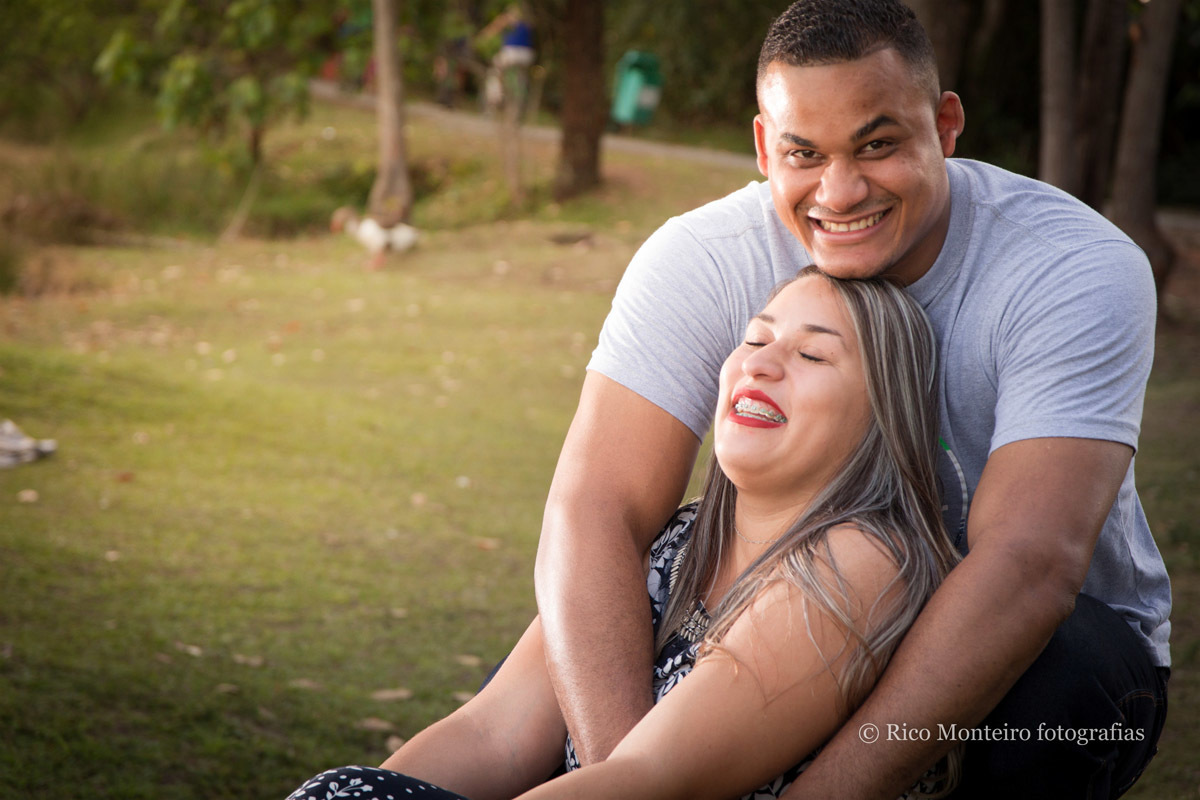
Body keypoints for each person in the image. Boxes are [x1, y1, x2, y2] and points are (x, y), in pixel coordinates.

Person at [534, 1, 1170, 798]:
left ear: (944, 125)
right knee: (565, 672)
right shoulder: (700, 257)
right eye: (804, 152)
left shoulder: (1070, 267)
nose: (840, 192)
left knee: (1057, 683)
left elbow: (1028, 565)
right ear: (766, 147)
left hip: (1035, 655)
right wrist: (626, 775)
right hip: (788, 623)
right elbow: (596, 504)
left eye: (877, 144)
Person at [287, 268, 963, 800]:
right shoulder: (680, 538)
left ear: (886, 414)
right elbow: (493, 732)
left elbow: (650, 778)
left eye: (813, 355)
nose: (760, 363)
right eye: (755, 340)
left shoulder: (862, 563)